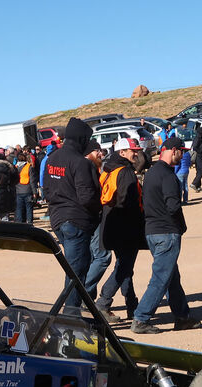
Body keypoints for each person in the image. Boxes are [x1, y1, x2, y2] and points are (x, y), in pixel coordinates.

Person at [131, 136, 200, 334]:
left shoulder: (152, 172)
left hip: (152, 232)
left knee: (171, 276)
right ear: (172, 150)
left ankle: (182, 317)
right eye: (182, 151)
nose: (183, 154)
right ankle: (141, 319)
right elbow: (173, 206)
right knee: (161, 278)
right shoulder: (168, 175)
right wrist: (182, 226)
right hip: (166, 232)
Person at [42, 117, 101, 313]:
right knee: (76, 272)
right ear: (81, 139)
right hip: (76, 221)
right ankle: (71, 315)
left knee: (73, 269)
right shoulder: (79, 162)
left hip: (58, 220)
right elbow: (87, 197)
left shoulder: (52, 159)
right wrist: (97, 213)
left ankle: (72, 312)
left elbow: (47, 192)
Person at [95, 137, 145, 322]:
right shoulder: (125, 172)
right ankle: (103, 303)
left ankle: (132, 304)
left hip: (110, 223)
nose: (136, 153)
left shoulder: (109, 169)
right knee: (124, 266)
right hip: (124, 226)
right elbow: (127, 202)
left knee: (125, 266)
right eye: (133, 150)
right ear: (122, 152)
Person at [83, 142, 112, 296]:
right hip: (92, 218)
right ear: (90, 152)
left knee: (92, 257)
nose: (101, 154)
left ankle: (87, 298)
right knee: (103, 257)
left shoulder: (91, 166)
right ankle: (82, 292)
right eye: (98, 151)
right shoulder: (87, 167)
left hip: (88, 218)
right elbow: (89, 195)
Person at [14, 151, 35, 223]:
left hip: (18, 191)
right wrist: (35, 192)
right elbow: (32, 181)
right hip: (28, 190)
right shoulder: (29, 167)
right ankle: (29, 223)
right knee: (29, 208)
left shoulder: (15, 168)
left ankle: (20, 224)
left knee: (19, 209)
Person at [189, 124, 202, 191]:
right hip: (198, 156)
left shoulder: (198, 137)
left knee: (199, 171)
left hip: (198, 156)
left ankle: (198, 186)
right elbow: (195, 147)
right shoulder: (198, 138)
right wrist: (200, 151)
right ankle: (194, 183)